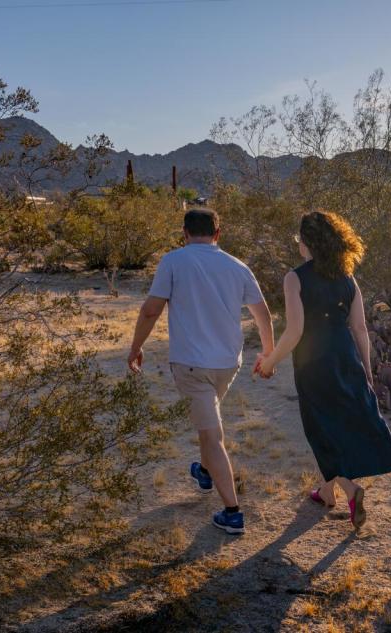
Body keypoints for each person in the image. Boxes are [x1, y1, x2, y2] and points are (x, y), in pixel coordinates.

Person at [128, 208, 274, 535]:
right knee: (208, 419)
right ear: (218, 234)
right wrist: (269, 353)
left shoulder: (173, 262)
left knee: (211, 433)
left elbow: (151, 309)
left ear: (184, 233)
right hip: (227, 364)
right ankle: (204, 472)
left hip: (191, 364)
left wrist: (136, 346)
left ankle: (232, 512)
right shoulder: (238, 267)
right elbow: (263, 313)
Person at [258, 210, 391, 530]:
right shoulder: (348, 278)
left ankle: (350, 490)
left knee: (322, 430)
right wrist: (366, 369)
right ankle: (326, 493)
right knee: (339, 426)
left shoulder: (295, 278)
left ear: (307, 242)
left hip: (313, 364)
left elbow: (294, 332)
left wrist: (269, 363)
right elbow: (361, 329)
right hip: (345, 358)